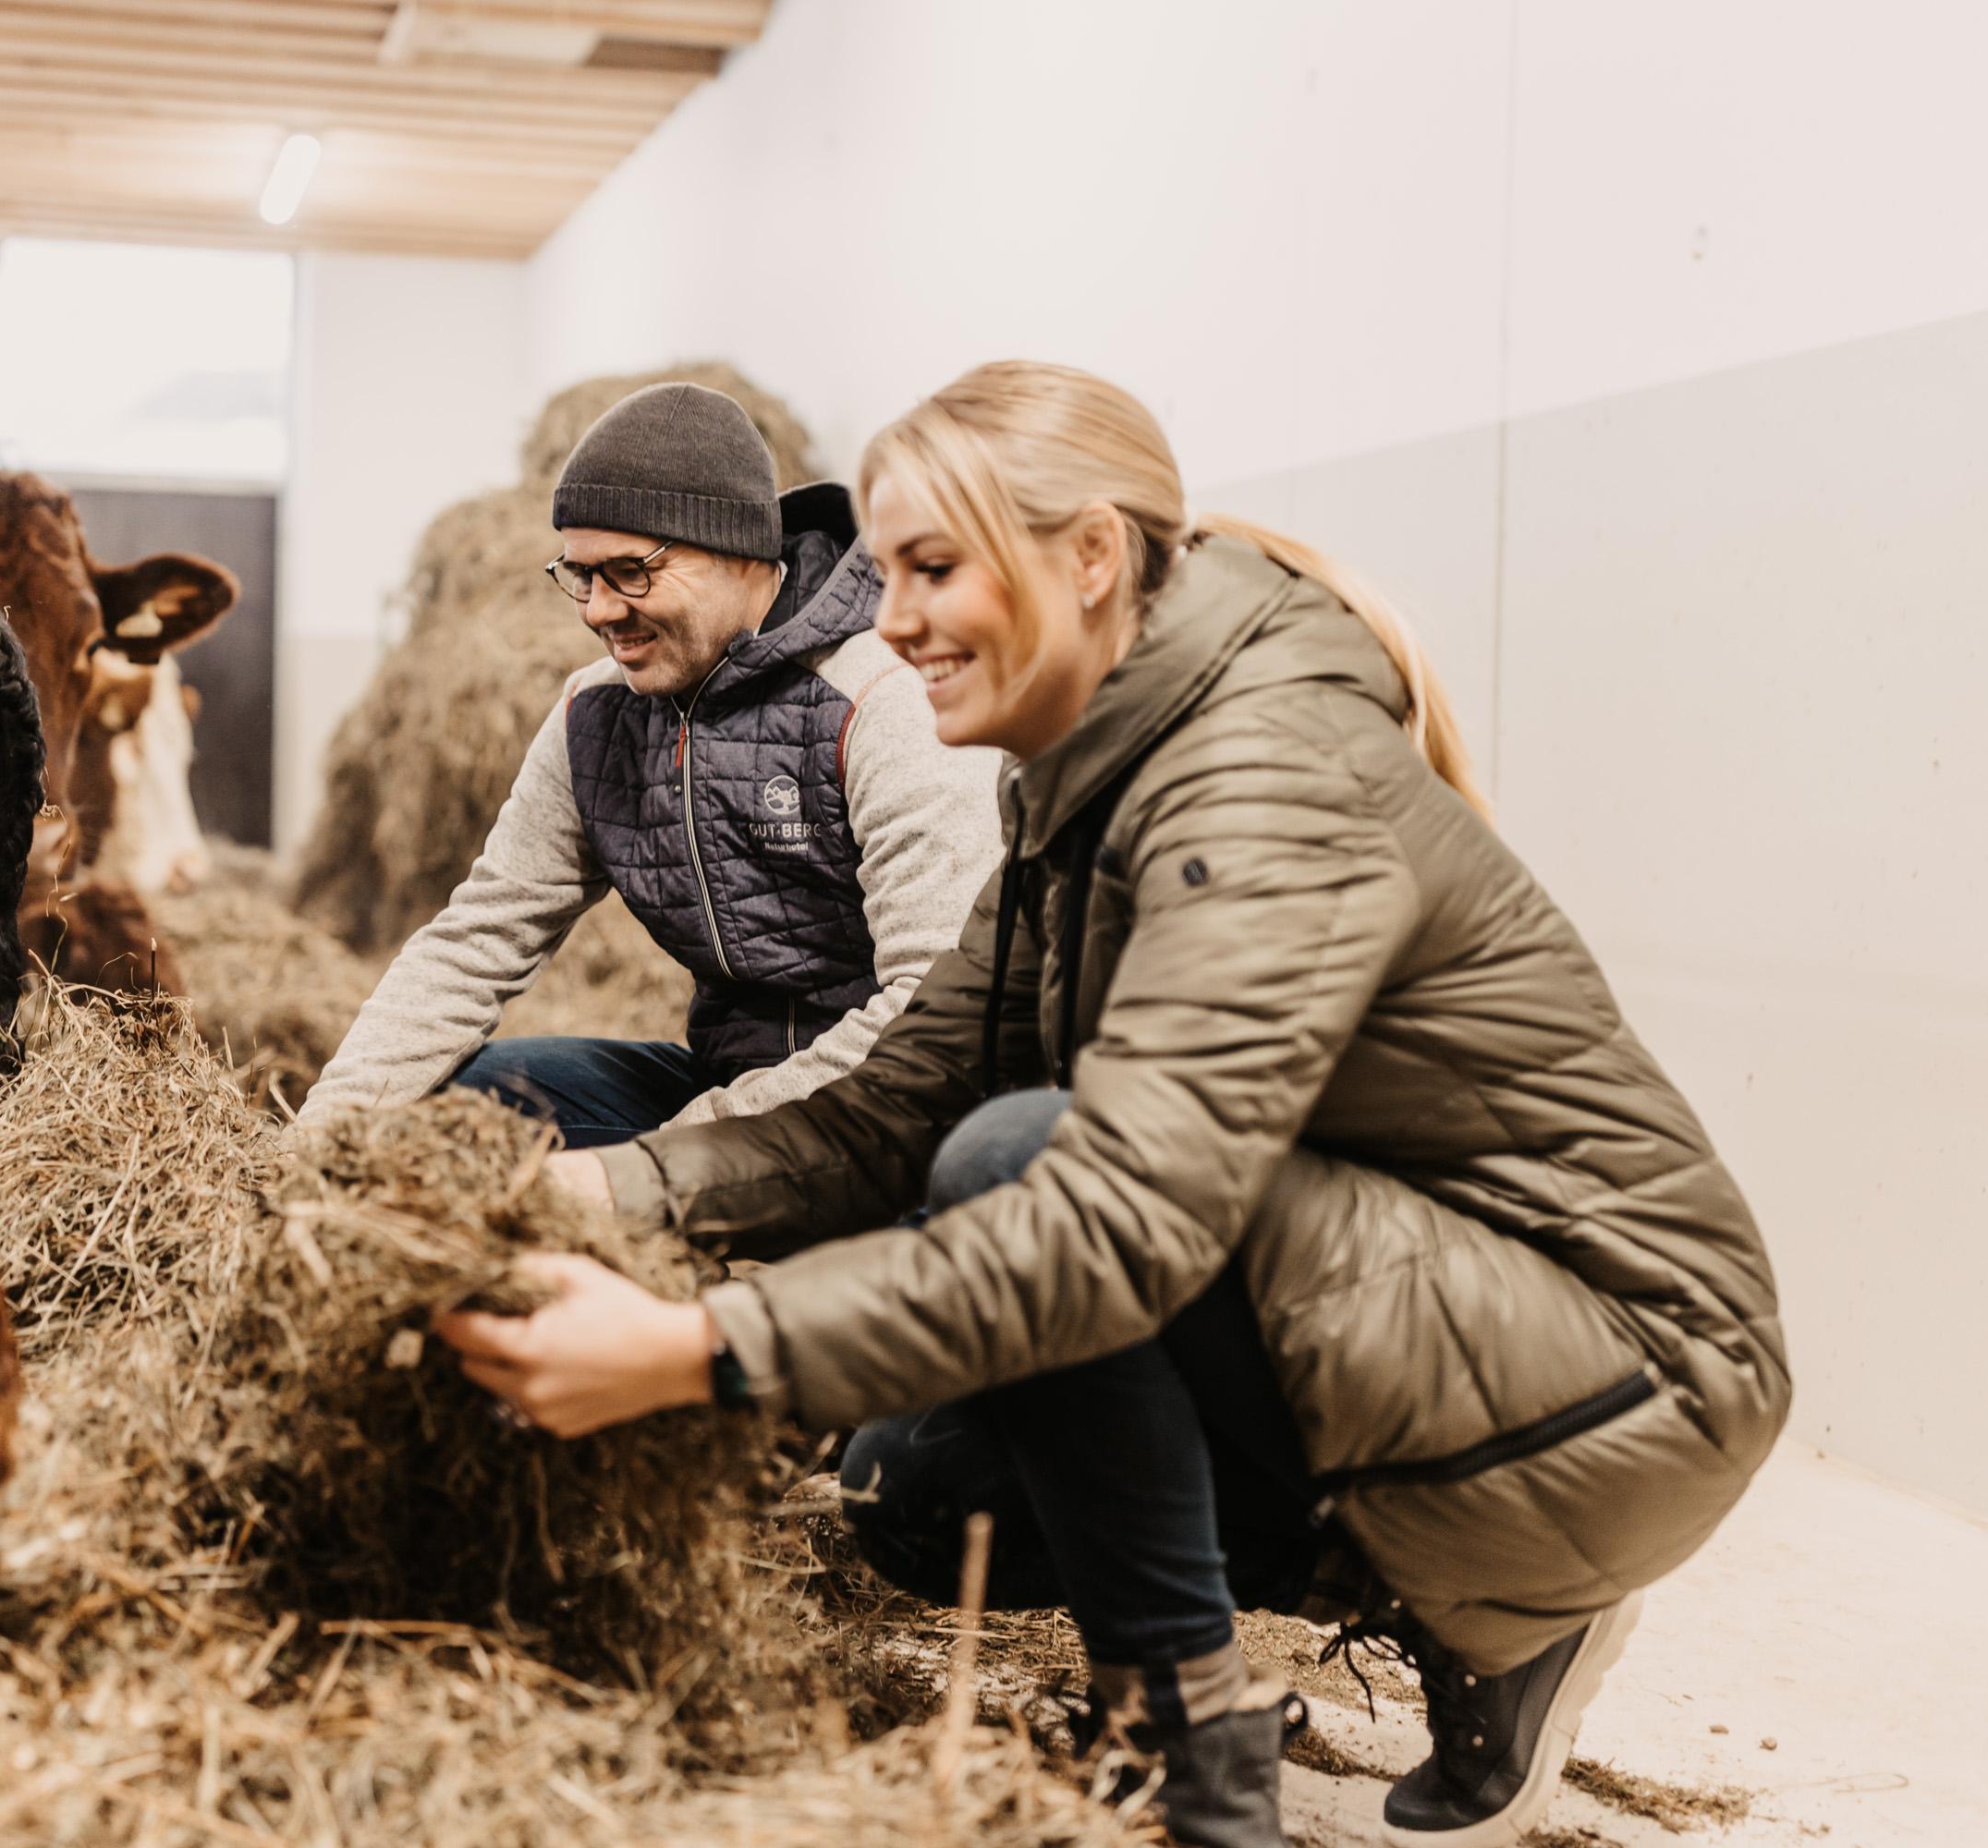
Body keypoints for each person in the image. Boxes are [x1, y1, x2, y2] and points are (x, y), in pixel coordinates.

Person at [434, 362, 1790, 1848]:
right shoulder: (1075, 784)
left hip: (1630, 1378)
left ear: (1088, 558)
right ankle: (1381, 1604)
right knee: (913, 1489)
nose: (889, 619)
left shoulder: (1257, 775)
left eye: (932, 570)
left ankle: (1227, 1735)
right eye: (889, 571)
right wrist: (610, 1186)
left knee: (1021, 1165)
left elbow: (1115, 1215)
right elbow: (894, 1106)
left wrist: (701, 1350)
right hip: (1415, 1314)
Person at [302, 382, 1004, 1144]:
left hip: (899, 1103)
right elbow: (477, 940)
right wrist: (320, 1139)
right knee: (468, 1094)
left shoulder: (886, 697)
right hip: (729, 1083)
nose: (599, 610)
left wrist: (672, 1161)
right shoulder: (597, 713)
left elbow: (932, 1009)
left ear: (740, 551)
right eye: (581, 575)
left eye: (631, 571)